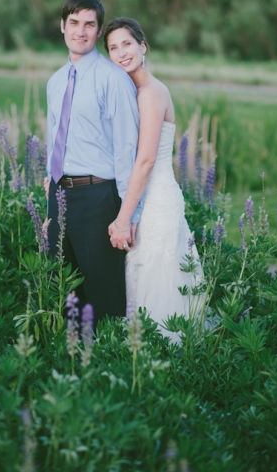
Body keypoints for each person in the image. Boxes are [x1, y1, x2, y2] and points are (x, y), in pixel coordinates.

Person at [45, 0, 142, 325]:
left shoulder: (113, 79)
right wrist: (49, 176)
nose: (80, 31)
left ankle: (110, 366)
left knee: (104, 295)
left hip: (98, 197)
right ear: (62, 27)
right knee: (63, 291)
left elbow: (127, 149)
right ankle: (73, 366)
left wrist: (129, 215)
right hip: (58, 196)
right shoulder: (55, 81)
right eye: (74, 23)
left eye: (89, 24)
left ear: (99, 31)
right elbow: (53, 133)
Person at [104, 17, 202, 341]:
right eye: (113, 48)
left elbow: (145, 161)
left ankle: (162, 362)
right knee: (141, 280)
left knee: (155, 283)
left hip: (155, 200)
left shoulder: (150, 93)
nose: (121, 53)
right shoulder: (132, 91)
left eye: (127, 44)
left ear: (143, 46)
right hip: (146, 196)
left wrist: (122, 220)